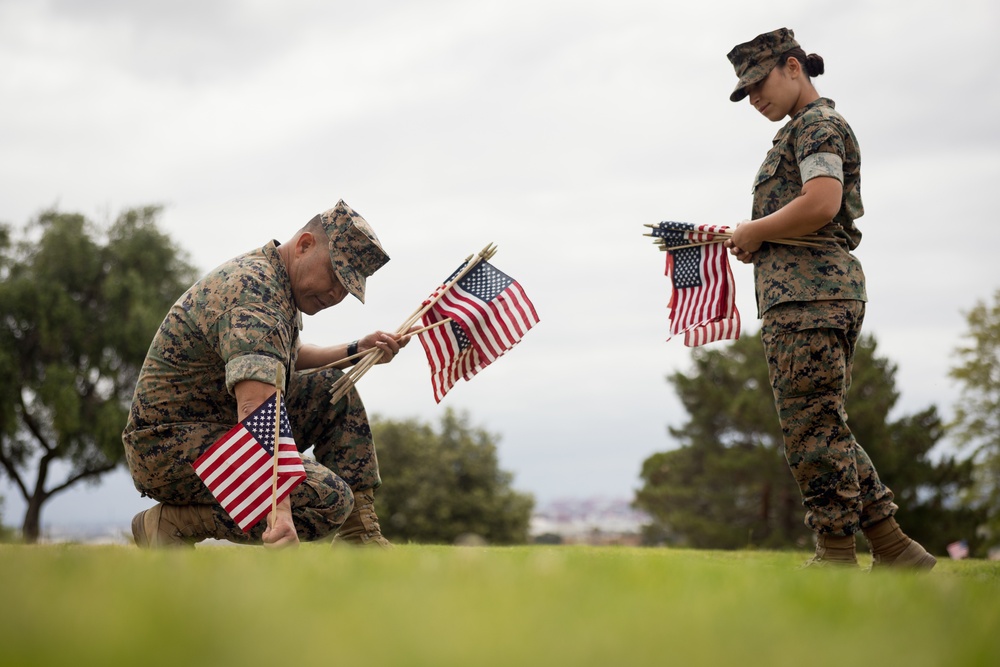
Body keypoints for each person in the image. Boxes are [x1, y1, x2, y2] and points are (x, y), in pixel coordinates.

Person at [723, 28, 935, 569]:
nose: (754, 99)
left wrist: (756, 229)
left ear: (794, 67)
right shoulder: (799, 130)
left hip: (812, 298)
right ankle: (893, 548)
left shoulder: (818, 125)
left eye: (758, 83)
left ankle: (836, 555)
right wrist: (758, 238)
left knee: (811, 429)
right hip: (804, 296)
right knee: (820, 424)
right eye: (744, 92)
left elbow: (822, 202)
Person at [123, 200, 411, 548]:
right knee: (326, 499)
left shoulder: (277, 281)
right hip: (168, 447)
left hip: (217, 425)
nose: (337, 294)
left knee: (336, 387)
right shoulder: (255, 292)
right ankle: (172, 523)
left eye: (346, 289)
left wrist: (354, 351)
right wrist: (280, 510)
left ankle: (359, 535)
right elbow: (257, 409)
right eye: (335, 275)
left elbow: (288, 355)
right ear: (305, 245)